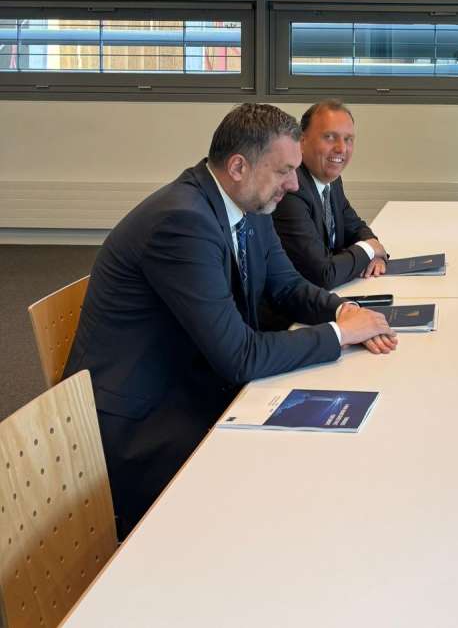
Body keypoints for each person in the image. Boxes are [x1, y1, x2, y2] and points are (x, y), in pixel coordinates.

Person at [64, 103, 397, 538]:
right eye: (284, 171)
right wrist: (340, 335)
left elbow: (286, 286)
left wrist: (341, 311)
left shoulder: (249, 203)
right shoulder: (182, 222)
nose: (294, 184)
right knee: (286, 495)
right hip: (142, 426)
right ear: (239, 167)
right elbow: (240, 356)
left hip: (195, 381)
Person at [272, 100, 387, 291]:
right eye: (330, 137)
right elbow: (323, 275)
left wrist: (374, 253)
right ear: (302, 141)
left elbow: (355, 228)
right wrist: (369, 249)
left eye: (348, 139)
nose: (341, 148)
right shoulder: (291, 189)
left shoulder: (331, 181)